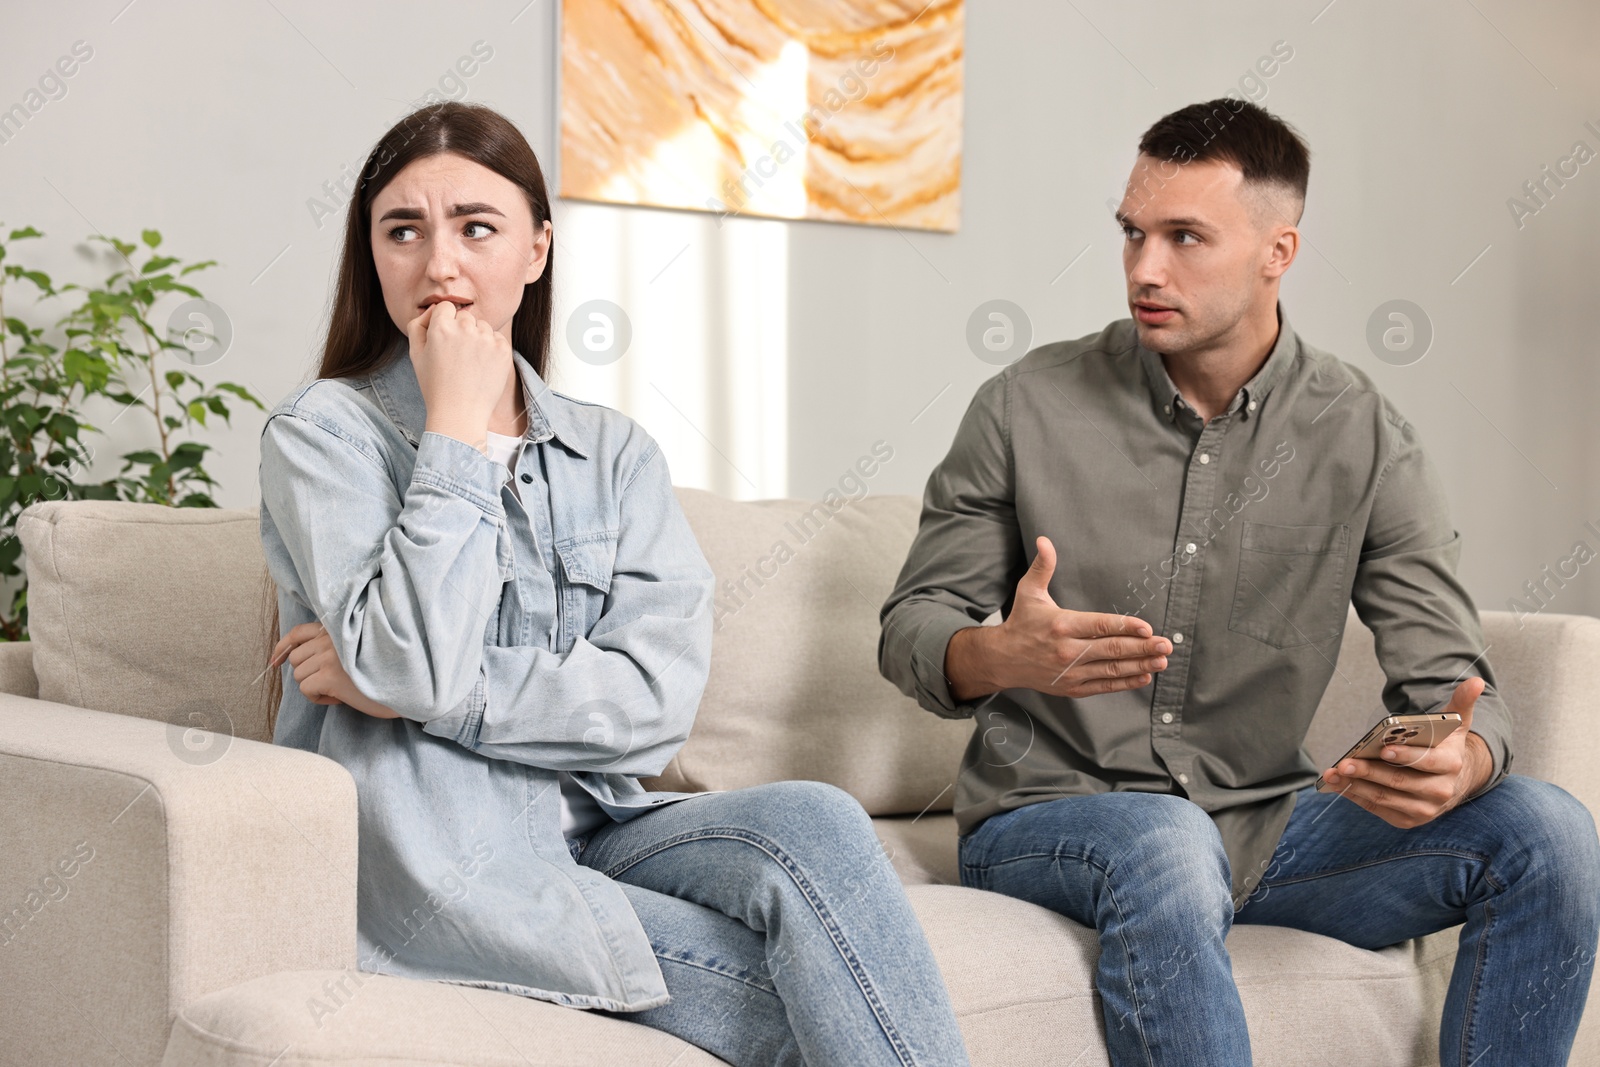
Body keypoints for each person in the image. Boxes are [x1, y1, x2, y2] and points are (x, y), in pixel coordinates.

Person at [877, 98, 1600, 1066]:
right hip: (1047, 819)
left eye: (1184, 237)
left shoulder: (1364, 436)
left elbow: (1448, 677)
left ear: (1276, 249)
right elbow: (912, 624)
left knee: (1546, 827)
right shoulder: (1023, 406)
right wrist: (992, 652)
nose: (1143, 268)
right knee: (1165, 837)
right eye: (1132, 233)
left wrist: (1460, 757)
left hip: (1265, 827)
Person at [257, 100, 971, 1067]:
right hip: (457, 871)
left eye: (477, 226)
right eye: (402, 230)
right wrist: (455, 432)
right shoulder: (323, 435)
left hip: (608, 826)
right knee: (822, 1007)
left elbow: (650, 705)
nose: (440, 264)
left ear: (536, 249)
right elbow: (411, 660)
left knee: (819, 815)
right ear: (371, 254)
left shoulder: (613, 454)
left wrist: (412, 688)